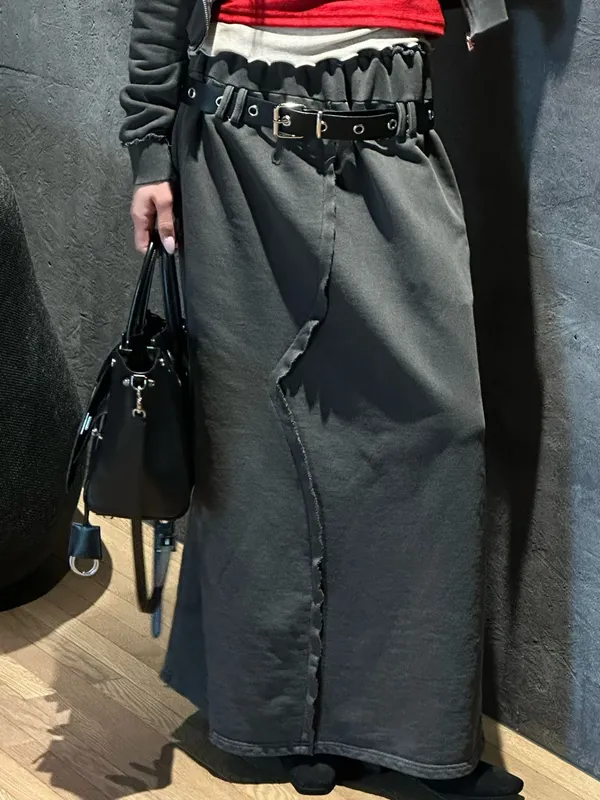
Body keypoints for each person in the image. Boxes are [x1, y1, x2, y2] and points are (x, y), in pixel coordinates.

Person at [120, 0, 524, 796]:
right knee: (257, 444)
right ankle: (285, 721)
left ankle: (418, 735)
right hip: (240, 140)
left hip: (392, 118)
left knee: (445, 427)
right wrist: (148, 148)